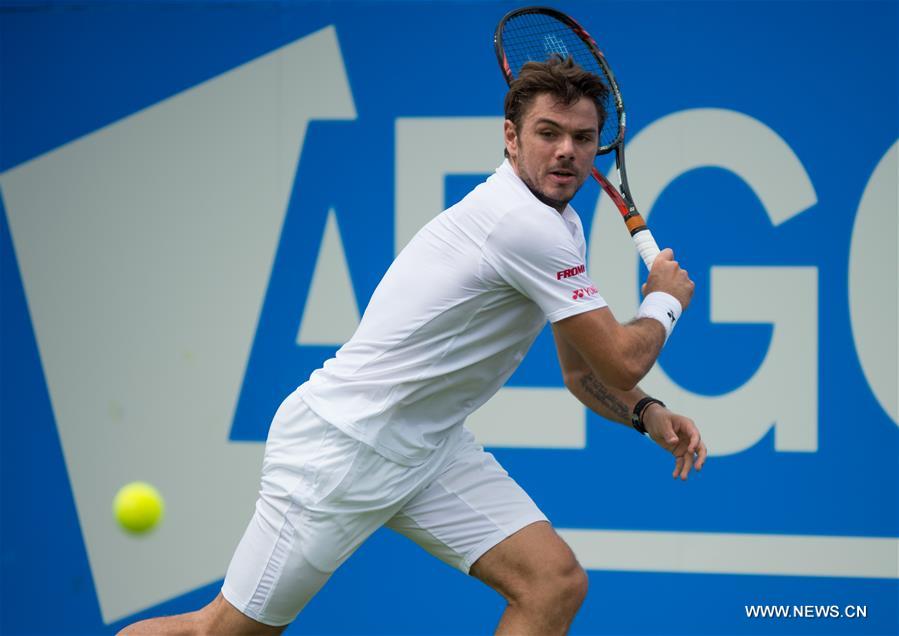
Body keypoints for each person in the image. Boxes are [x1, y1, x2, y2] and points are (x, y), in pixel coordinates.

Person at [120, 56, 706, 636]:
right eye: (547, 133)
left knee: (553, 584)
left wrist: (645, 411)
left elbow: (582, 375)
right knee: (219, 633)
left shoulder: (560, 225)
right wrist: (664, 300)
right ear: (511, 137)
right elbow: (622, 357)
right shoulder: (519, 224)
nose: (566, 151)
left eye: (582, 138)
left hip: (427, 449)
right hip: (344, 448)